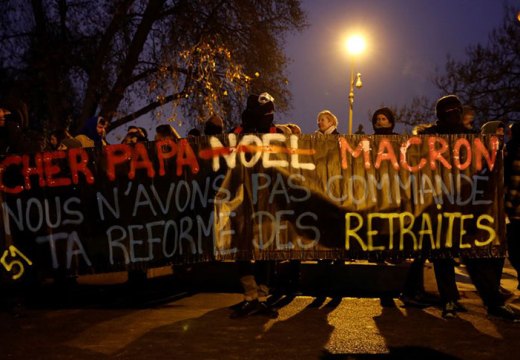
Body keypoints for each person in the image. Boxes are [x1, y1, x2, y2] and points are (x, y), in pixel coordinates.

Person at [418, 95, 519, 321]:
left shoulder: (473, 139)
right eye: (448, 111)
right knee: (442, 254)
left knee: (476, 257)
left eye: (456, 110)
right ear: (440, 114)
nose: (452, 114)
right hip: (441, 206)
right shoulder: (430, 137)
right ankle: (449, 300)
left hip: (469, 207)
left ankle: (492, 302)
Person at [230, 92, 279, 319]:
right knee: (242, 248)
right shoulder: (237, 133)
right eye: (264, 111)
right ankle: (249, 295)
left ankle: (262, 296)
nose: (268, 115)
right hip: (242, 200)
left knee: (267, 250)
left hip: (269, 200)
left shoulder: (276, 133)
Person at [505, 122, 520, 288]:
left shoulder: (514, 150)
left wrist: (507, 206)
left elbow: (515, 181)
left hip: (516, 212)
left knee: (514, 251)